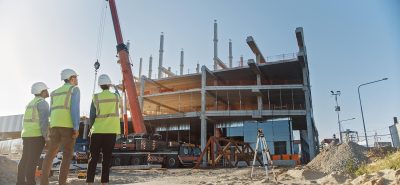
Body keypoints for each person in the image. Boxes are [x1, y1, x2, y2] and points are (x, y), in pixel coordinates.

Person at [41, 69, 80, 185]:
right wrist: (76, 127)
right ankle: (62, 183)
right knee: (67, 155)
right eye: (76, 77)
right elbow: (74, 110)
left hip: (54, 126)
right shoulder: (74, 89)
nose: (77, 80)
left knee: (49, 155)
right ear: (71, 78)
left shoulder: (54, 93)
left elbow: (52, 111)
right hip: (67, 126)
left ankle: (44, 183)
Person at [86, 74, 120, 185]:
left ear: (100, 85)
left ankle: (90, 182)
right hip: (110, 132)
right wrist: (114, 87)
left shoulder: (95, 97)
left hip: (97, 131)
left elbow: (92, 116)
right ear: (109, 84)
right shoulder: (115, 97)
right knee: (106, 159)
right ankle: (104, 182)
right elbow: (119, 94)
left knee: (93, 158)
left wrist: (90, 131)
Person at [16, 82, 50, 185]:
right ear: (42, 91)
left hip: (26, 135)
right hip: (36, 136)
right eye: (46, 90)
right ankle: (31, 182)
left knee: (24, 160)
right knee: (32, 161)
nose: (47, 91)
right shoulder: (42, 103)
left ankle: (20, 182)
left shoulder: (30, 104)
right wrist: (46, 138)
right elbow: (44, 123)